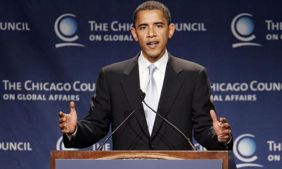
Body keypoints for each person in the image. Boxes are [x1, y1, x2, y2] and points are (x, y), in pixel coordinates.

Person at [59, 1, 232, 150]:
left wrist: (220, 137)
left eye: (158, 25)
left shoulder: (193, 75)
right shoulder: (112, 76)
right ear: (134, 33)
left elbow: (204, 130)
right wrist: (75, 130)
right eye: (143, 27)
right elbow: (96, 126)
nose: (151, 33)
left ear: (170, 30)